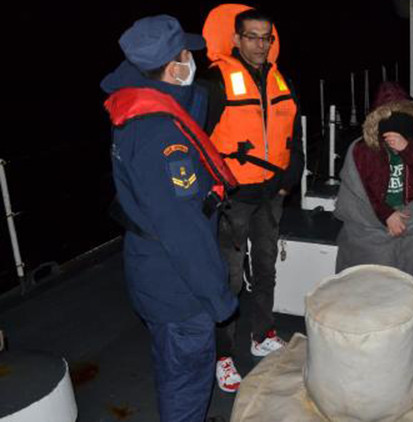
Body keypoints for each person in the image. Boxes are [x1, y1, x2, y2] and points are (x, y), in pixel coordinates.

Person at [101, 15, 238, 421]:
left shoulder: (135, 103)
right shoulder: (162, 137)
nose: (192, 59)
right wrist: (217, 297)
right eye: (185, 55)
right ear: (173, 68)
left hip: (150, 266)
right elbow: (183, 229)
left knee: (173, 367)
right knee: (186, 380)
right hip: (177, 285)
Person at [201, 5, 303, 391]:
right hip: (234, 197)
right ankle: (222, 355)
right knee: (228, 278)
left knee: (265, 268)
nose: (260, 45)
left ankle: (262, 335)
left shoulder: (281, 80)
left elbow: (294, 136)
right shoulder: (215, 82)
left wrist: (288, 180)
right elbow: (197, 141)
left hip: (271, 194)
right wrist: (214, 187)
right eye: (252, 37)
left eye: (266, 38)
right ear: (236, 39)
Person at [335, 82, 413, 294]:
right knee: (373, 264)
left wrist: (408, 149)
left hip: (412, 213)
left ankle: (410, 301)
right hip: (373, 216)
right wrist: (387, 215)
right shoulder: (366, 150)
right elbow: (366, 191)